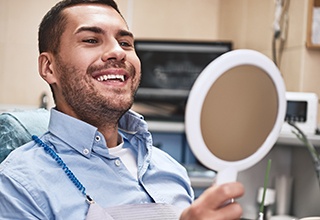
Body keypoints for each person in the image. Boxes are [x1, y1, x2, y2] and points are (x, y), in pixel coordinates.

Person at [0, 0, 244, 219]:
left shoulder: (170, 169)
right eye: (91, 40)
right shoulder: (19, 185)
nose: (117, 51)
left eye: (125, 43)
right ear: (49, 67)